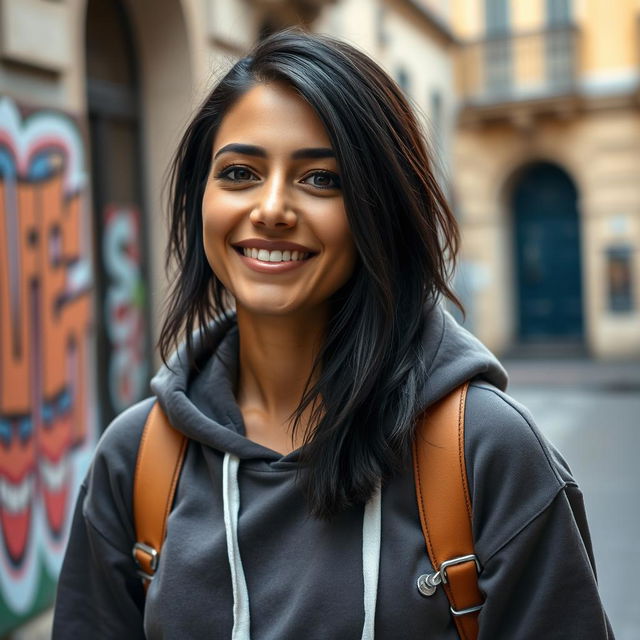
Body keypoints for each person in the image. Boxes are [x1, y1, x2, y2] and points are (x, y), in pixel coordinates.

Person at [53, 30, 613, 639]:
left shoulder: (487, 453)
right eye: (239, 172)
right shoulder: (135, 460)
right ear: (200, 199)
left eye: (321, 179)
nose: (270, 208)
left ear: (381, 208)